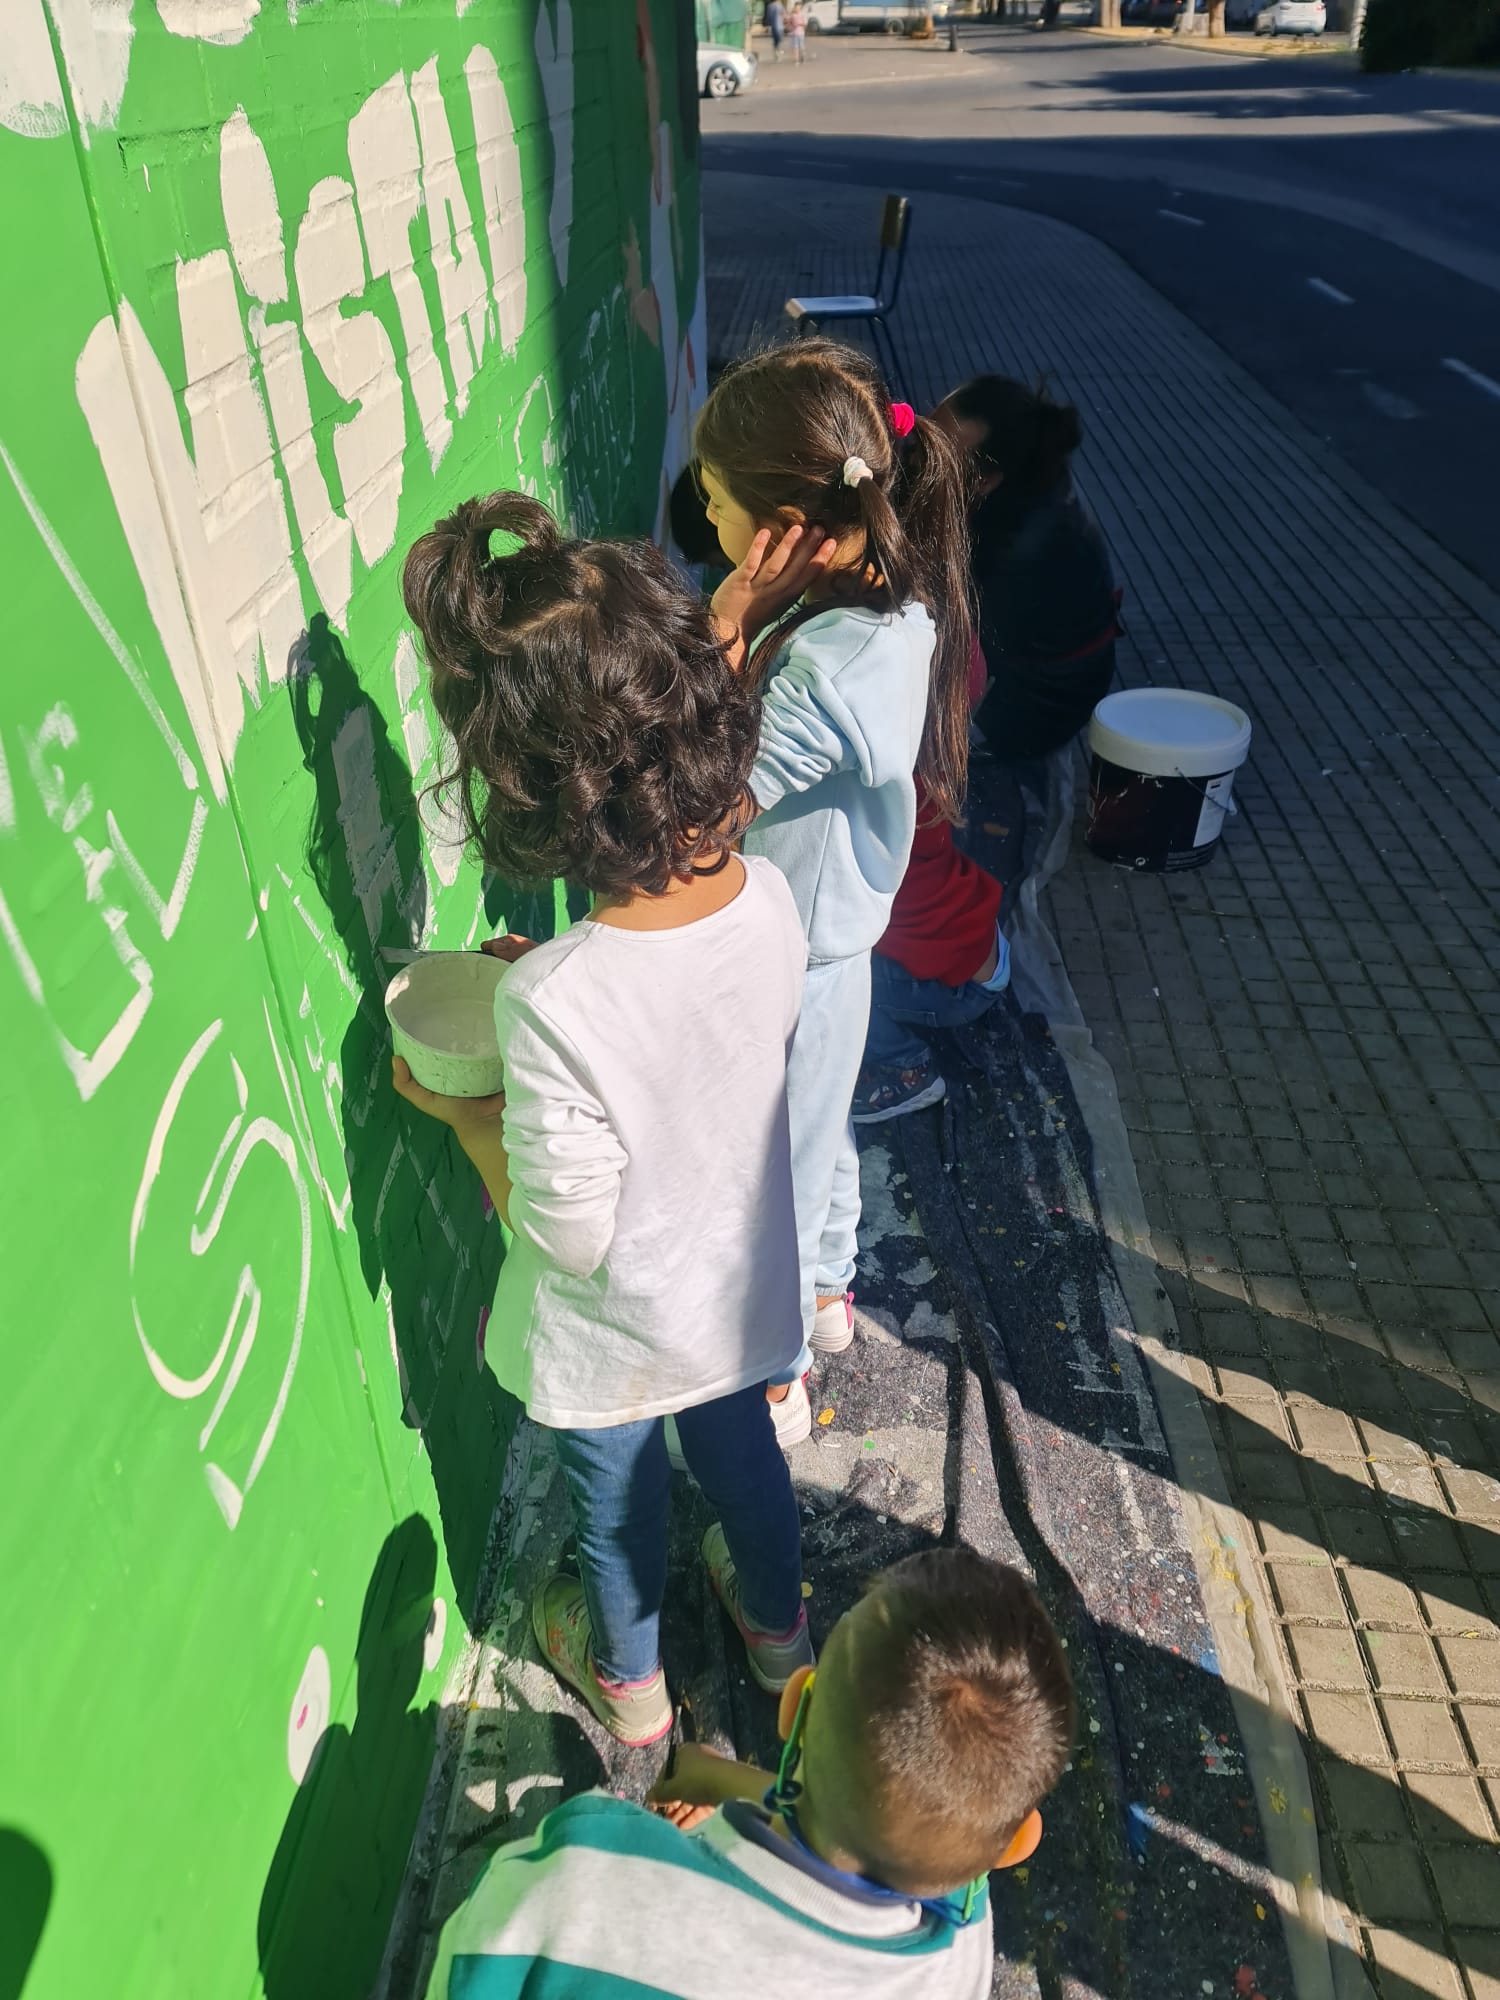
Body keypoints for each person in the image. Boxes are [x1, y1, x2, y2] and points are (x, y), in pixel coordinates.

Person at [394, 491, 818, 1746]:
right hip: (735, 1296)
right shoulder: (770, 897)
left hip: (616, 1336)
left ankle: (631, 1688)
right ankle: (779, 1633)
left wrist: (473, 1118)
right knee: (745, 1460)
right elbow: (691, 1029)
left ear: (529, 793)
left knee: (616, 1503)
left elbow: (570, 1235)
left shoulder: (551, 1002)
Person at [695, 341, 972, 1438]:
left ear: (780, 527)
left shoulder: (831, 667)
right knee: (821, 1132)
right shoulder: (872, 606)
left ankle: (779, 1379)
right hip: (820, 941)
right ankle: (826, 1293)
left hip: (797, 958)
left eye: (715, 503)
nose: (704, 517)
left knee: (784, 1165)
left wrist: (725, 622)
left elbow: (710, 802)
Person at [427, 1549, 1074, 1998]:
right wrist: (724, 1780)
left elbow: (468, 1966)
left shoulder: (582, 1870)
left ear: (794, 1707)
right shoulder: (958, 1941)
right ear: (1015, 1842)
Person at [853, 633, 1011, 1124]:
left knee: (819, 982)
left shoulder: (884, 797)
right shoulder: (924, 766)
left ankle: (905, 1069)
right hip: (980, 950)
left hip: (961, 985)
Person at [935, 376, 1120, 765]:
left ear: (984, 482)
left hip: (1036, 704)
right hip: (1062, 669)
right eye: (921, 433)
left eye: (935, 454)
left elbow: (952, 654)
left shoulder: (1014, 551)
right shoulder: (1025, 478)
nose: (912, 454)